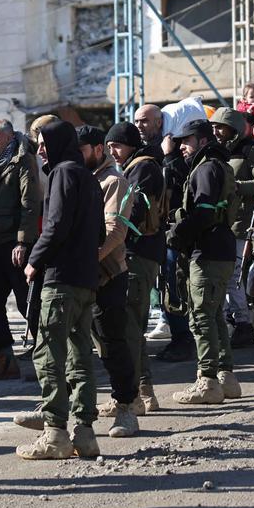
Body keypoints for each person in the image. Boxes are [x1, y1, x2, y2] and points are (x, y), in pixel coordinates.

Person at [16, 120, 104, 460]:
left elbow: (56, 225)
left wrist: (34, 261)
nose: (39, 150)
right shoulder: (88, 178)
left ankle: (54, 434)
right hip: (85, 280)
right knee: (80, 356)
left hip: (61, 280)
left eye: (43, 143)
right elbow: (96, 234)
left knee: (49, 354)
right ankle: (84, 434)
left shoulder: (63, 174)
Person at [167, 119, 240, 404]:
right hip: (220, 248)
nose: (182, 147)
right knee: (213, 313)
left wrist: (176, 234)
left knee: (201, 317)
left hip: (207, 251)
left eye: (186, 141)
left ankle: (207, 380)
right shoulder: (218, 165)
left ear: (202, 141)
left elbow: (204, 212)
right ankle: (226, 377)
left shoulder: (207, 168)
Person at [77, 125, 139, 438]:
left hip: (107, 274)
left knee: (113, 341)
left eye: (82, 149)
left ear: (97, 150)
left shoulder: (113, 181)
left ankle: (127, 407)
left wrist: (89, 261)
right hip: (82, 274)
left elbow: (115, 231)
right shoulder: (80, 179)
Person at [0, 119, 41, 380]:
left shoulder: (22, 161)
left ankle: (47, 361)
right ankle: (5, 359)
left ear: (9, 137)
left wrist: (23, 242)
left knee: (29, 305)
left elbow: (29, 203)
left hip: (16, 243)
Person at [106, 121, 164, 414]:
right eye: (109, 146)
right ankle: (141, 392)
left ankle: (137, 396)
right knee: (130, 326)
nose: (112, 151)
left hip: (138, 253)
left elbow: (134, 210)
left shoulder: (142, 168)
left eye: (116, 145)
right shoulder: (137, 166)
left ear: (130, 144)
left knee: (129, 326)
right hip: (138, 253)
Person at [135, 103, 195, 360]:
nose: (140, 125)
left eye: (144, 121)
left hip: (172, 229)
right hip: (152, 230)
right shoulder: (143, 151)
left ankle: (183, 339)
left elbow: (176, 184)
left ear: (159, 122)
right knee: (160, 286)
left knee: (173, 284)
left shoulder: (174, 149)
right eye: (137, 121)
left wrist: (168, 157)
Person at [211, 107, 254, 348]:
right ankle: (227, 321)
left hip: (241, 223)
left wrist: (232, 186)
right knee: (222, 276)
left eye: (220, 127)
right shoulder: (216, 153)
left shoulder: (251, 151)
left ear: (233, 129)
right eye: (213, 127)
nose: (216, 132)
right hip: (220, 222)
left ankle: (243, 323)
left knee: (233, 277)